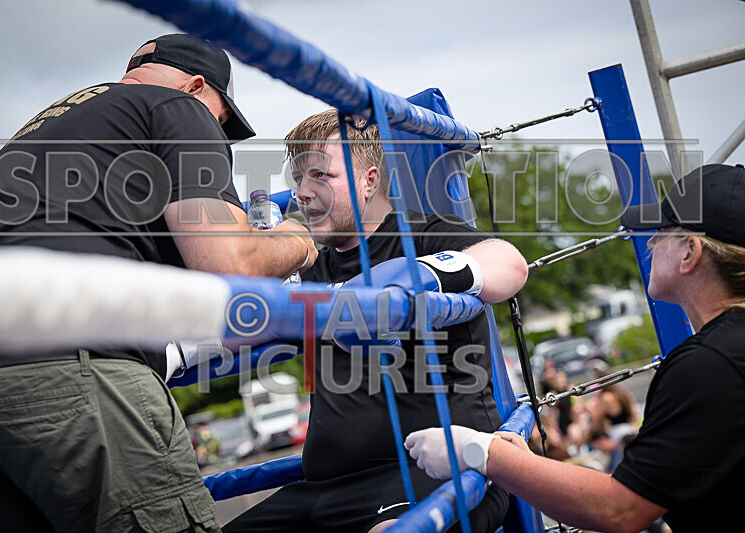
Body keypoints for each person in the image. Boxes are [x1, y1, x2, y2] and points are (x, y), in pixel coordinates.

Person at [0, 34, 316, 532]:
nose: (218, 133)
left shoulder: (45, 128)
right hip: (72, 369)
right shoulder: (177, 107)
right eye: (221, 119)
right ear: (198, 85)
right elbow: (229, 265)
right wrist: (296, 240)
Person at [223, 110, 529, 532]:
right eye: (298, 181)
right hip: (323, 489)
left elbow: (510, 265)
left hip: (434, 474)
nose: (304, 194)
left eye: (321, 176)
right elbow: (229, 335)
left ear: (369, 180)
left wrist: (417, 279)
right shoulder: (309, 265)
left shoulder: (420, 235)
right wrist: (256, 270)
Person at [405, 163, 745, 532]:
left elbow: (620, 510)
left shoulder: (710, 364)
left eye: (662, 233)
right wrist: (524, 464)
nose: (649, 242)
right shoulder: (725, 351)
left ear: (689, 252)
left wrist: (481, 453)